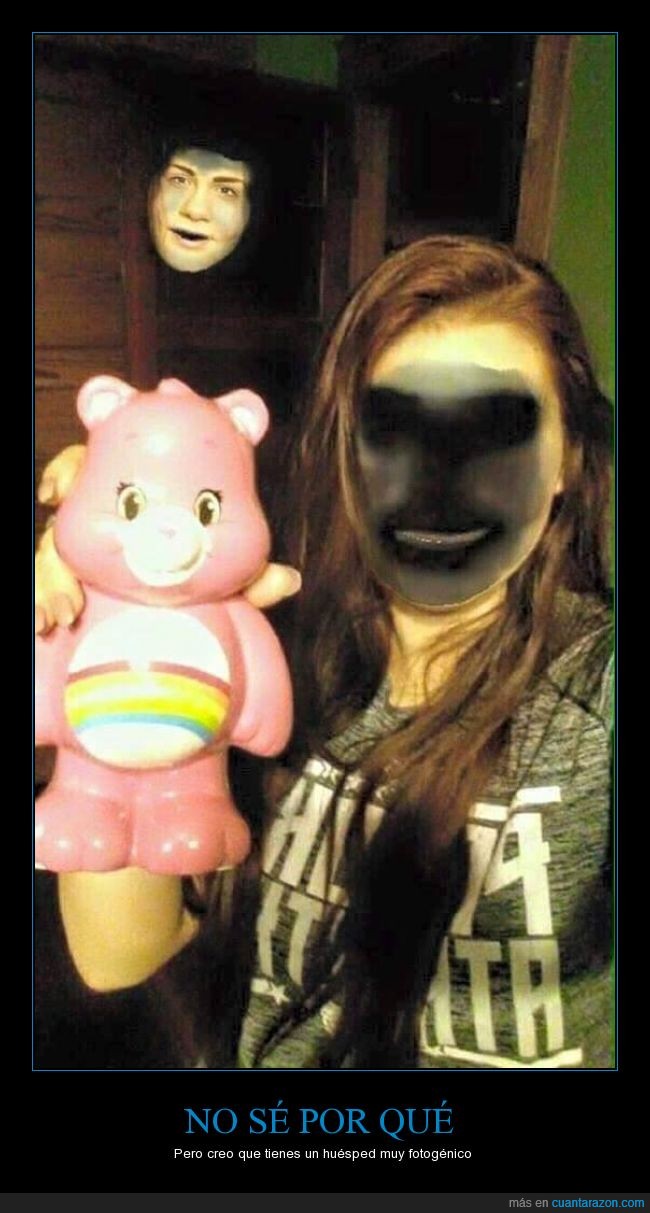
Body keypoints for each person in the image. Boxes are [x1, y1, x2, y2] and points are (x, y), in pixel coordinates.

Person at [34, 235, 613, 1070]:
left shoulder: (595, 687)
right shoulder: (269, 658)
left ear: (564, 463)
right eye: (393, 432)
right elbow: (118, 953)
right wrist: (111, 615)